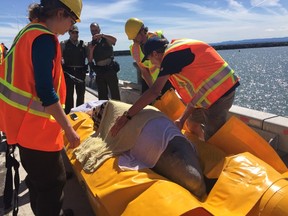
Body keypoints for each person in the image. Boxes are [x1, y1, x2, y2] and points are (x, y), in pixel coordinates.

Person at [0, 1, 82, 215]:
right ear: (60, 13)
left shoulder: (27, 33)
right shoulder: (44, 39)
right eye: (71, 21)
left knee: (38, 181)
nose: (70, 28)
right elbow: (46, 92)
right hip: (37, 129)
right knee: (53, 184)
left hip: (20, 126)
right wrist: (69, 129)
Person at [111, 37, 240, 141]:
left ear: (155, 54)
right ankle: (202, 147)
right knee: (192, 124)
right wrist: (181, 120)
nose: (151, 64)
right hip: (208, 92)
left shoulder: (171, 57)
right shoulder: (175, 53)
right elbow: (196, 91)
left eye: (150, 59)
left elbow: (155, 91)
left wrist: (127, 116)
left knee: (213, 135)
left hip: (221, 92)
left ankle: (214, 165)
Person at [125, 18, 173, 94]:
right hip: (149, 81)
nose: (134, 41)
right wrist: (153, 89)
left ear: (142, 31)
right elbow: (144, 71)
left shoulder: (158, 38)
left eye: (135, 37)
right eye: (132, 39)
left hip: (167, 78)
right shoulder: (134, 49)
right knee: (147, 101)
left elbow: (170, 60)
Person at [88, 22, 120, 100]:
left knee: (115, 93)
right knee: (102, 96)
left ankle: (118, 111)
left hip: (110, 69)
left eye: (96, 30)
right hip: (99, 71)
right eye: (92, 31)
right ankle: (103, 111)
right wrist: (92, 50)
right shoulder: (90, 44)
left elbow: (114, 40)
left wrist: (102, 35)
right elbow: (90, 60)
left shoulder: (106, 39)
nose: (94, 32)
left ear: (99, 29)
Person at [60, 25, 88, 114]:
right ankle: (68, 114)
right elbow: (59, 58)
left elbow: (90, 55)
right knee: (69, 95)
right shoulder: (63, 44)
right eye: (73, 32)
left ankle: (79, 113)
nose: (75, 34)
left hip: (80, 72)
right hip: (68, 73)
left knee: (80, 95)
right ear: (69, 33)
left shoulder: (83, 44)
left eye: (77, 32)